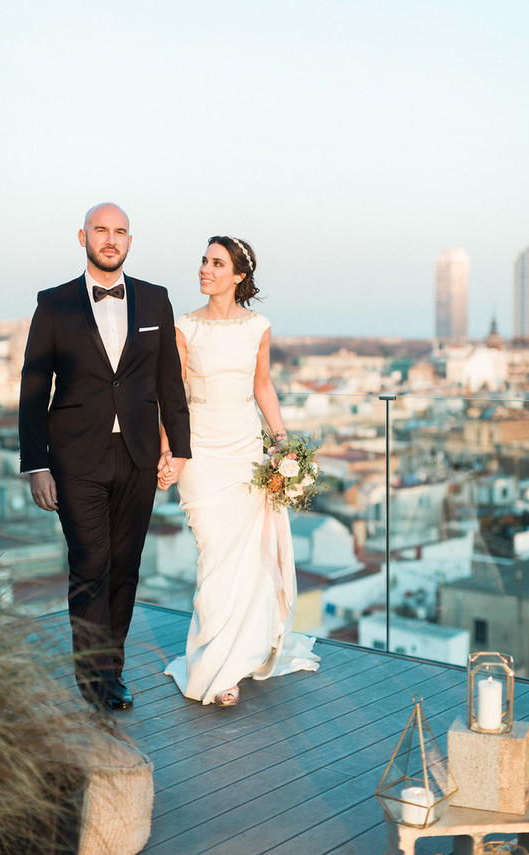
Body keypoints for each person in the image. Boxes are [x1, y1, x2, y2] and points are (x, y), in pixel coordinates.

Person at [19, 203, 191, 711]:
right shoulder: (53, 304)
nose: (110, 239)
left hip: (137, 454)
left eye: (119, 232)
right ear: (83, 237)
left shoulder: (156, 299)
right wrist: (37, 463)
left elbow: (169, 380)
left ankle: (110, 668)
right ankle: (94, 678)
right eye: (101, 231)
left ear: (130, 241)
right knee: (90, 564)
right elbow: (33, 388)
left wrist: (179, 449)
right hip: (75, 458)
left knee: (125, 565)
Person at [160, 235, 319, 706]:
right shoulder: (184, 327)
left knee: (248, 561)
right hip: (201, 452)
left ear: (238, 276)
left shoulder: (259, 326)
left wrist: (283, 442)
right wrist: (168, 453)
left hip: (247, 450)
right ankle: (212, 661)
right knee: (214, 555)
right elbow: (173, 397)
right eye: (204, 261)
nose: (205, 269)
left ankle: (236, 662)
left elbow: (263, 385)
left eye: (216, 263)